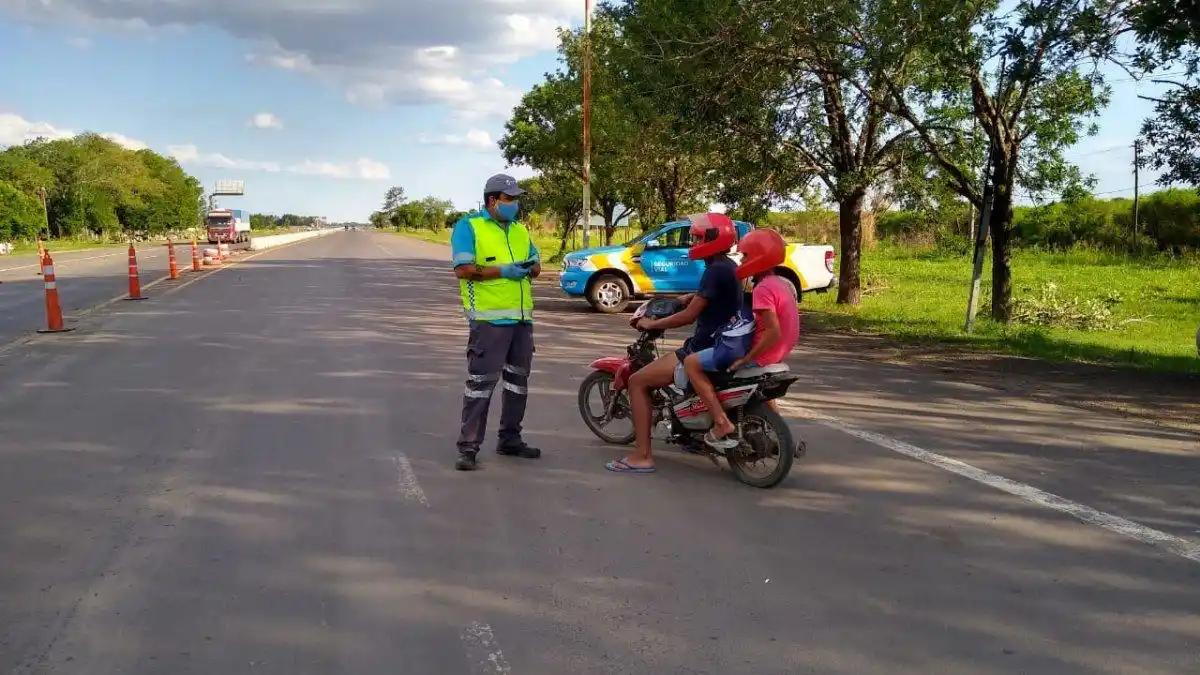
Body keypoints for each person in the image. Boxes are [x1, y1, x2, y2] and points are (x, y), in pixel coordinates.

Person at [604, 213, 743, 474]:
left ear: (713, 239)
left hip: (702, 345)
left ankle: (642, 456)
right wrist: (684, 298)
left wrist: (652, 324)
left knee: (637, 382)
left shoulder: (715, 271)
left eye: (699, 238)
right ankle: (693, 435)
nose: (694, 243)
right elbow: (707, 298)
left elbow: (689, 317)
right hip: (725, 340)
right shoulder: (728, 266)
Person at [451, 173, 543, 471]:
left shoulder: (519, 230)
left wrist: (531, 268)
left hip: (520, 320)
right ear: (492, 201)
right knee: (481, 384)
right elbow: (463, 269)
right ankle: (468, 447)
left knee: (518, 382)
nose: (515, 204)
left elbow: (536, 263)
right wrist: (504, 271)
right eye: (509, 199)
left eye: (516, 199)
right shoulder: (469, 227)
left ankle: (510, 439)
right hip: (489, 323)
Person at [685, 228, 800, 448]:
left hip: (762, 355)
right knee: (762, 394)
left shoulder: (763, 289)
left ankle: (721, 423)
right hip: (778, 354)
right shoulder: (781, 284)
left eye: (745, 256)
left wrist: (746, 359)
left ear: (758, 256)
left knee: (691, 363)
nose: (742, 261)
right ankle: (782, 438)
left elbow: (773, 330)